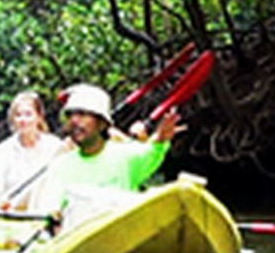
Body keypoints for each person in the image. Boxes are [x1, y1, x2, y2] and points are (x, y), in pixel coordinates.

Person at [31, 82, 184, 231]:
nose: (75, 121)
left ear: (102, 124)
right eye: (71, 115)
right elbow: (49, 209)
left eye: (83, 115)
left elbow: (154, 150)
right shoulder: (60, 166)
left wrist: (162, 137)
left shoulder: (126, 156)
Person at [0, 90, 63, 212]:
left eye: (28, 114)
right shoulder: (3, 152)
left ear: (39, 117)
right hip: (12, 220)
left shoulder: (55, 147)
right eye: (18, 115)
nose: (23, 120)